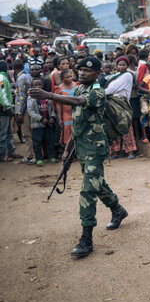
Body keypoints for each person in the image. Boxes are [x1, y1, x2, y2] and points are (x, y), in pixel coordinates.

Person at [28, 57, 129, 258]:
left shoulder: (97, 92)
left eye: (87, 71)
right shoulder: (79, 89)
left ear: (98, 74)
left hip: (95, 148)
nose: (82, 73)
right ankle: (117, 209)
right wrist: (68, 149)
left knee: (87, 191)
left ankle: (86, 238)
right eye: (80, 70)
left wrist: (48, 95)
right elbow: (77, 122)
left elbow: (78, 103)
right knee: (96, 184)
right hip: (81, 148)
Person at [105, 57, 137, 159]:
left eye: (124, 65)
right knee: (113, 126)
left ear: (127, 66)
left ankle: (131, 151)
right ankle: (115, 151)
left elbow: (112, 88)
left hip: (122, 104)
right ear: (116, 65)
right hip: (113, 103)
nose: (121, 66)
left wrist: (102, 93)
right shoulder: (116, 76)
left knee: (126, 126)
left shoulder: (127, 75)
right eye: (120, 65)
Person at [27, 78, 57, 165]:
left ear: (42, 85)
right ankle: (39, 158)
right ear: (32, 87)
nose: (38, 86)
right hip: (37, 125)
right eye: (35, 85)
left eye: (39, 84)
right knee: (37, 142)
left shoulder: (47, 96)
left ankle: (51, 157)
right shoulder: (31, 98)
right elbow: (30, 111)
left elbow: (52, 109)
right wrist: (40, 119)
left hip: (48, 124)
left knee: (50, 141)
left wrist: (52, 117)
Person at [54, 69, 77, 148]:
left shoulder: (77, 85)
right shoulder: (59, 89)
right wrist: (60, 118)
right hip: (66, 114)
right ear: (62, 79)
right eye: (67, 77)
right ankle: (69, 150)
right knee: (68, 131)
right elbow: (58, 105)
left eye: (71, 76)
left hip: (77, 112)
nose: (70, 78)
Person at [0, 60, 17, 161]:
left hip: (4, 110)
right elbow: (3, 94)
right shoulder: (2, 78)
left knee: (9, 132)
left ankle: (11, 151)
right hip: (3, 110)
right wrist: (8, 107)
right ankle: (2, 155)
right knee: (3, 134)